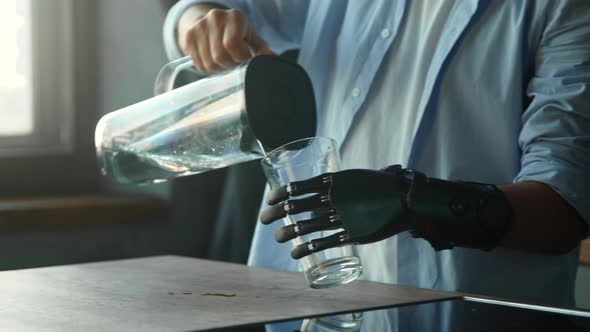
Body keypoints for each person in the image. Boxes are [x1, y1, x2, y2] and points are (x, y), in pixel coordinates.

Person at [163, 0, 590, 307]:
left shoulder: (563, 9)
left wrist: (413, 202)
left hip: (470, 312)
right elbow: (201, 13)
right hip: (312, 309)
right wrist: (200, 21)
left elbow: (563, 211)